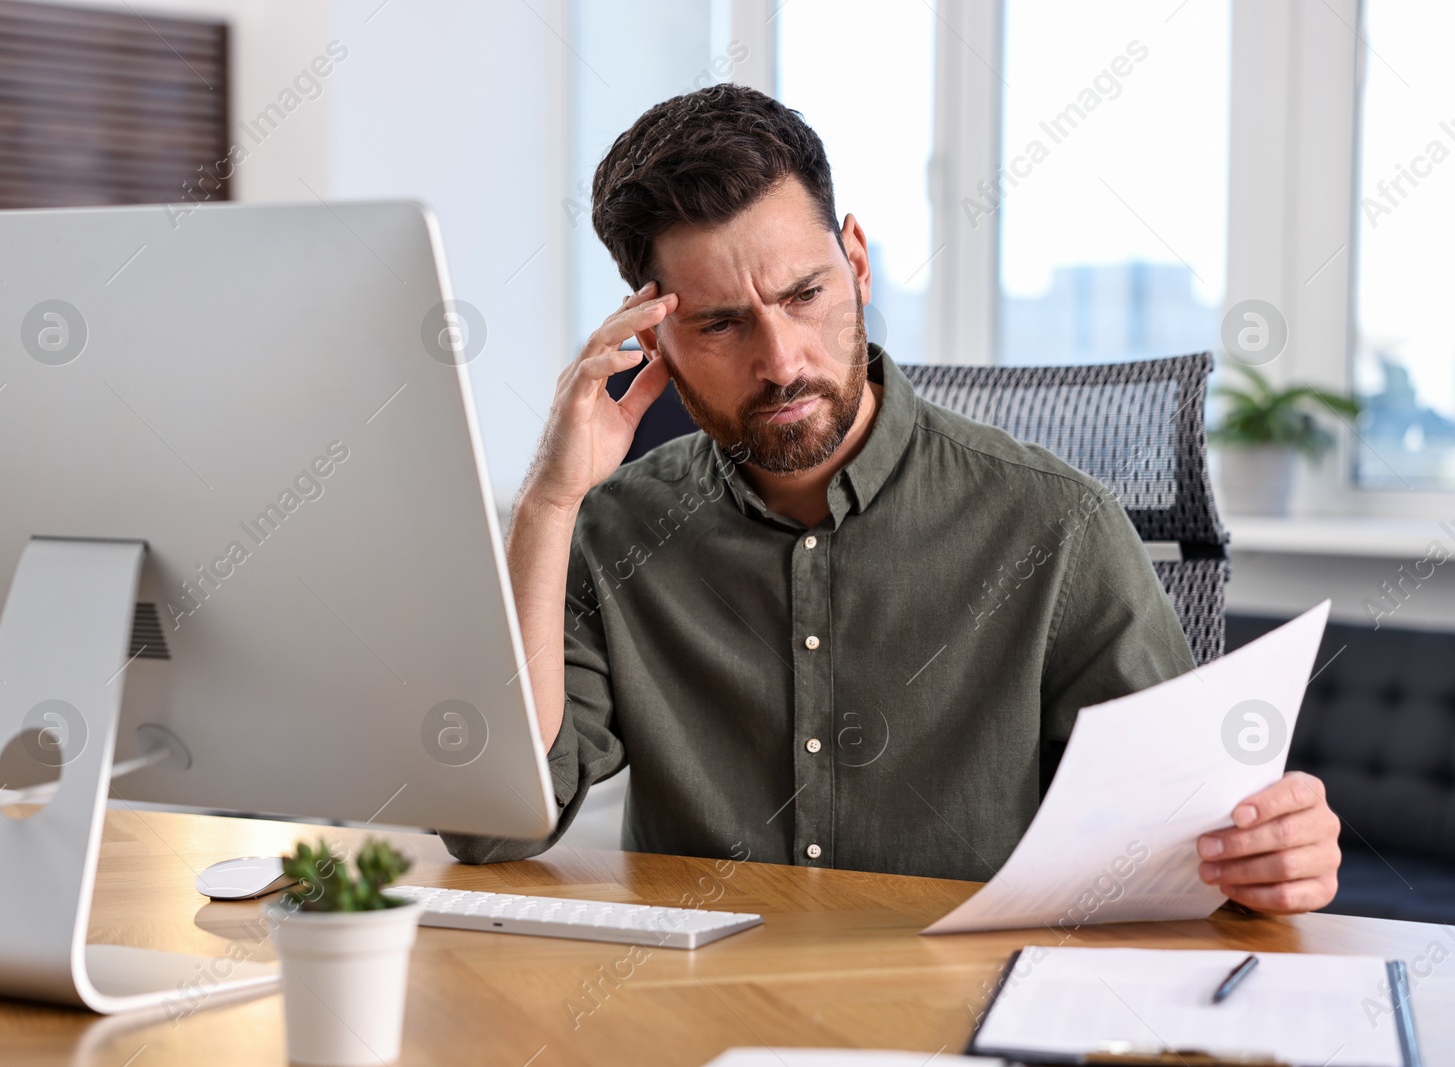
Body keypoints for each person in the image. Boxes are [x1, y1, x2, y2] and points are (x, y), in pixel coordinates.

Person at [441, 84, 1341, 915]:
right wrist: (548, 505)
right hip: (701, 1017)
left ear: (858, 263)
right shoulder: (612, 530)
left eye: (805, 293)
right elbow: (492, 828)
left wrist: (1274, 852)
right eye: (720, 323)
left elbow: (1194, 847)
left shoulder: (1058, 527)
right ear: (655, 337)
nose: (783, 358)